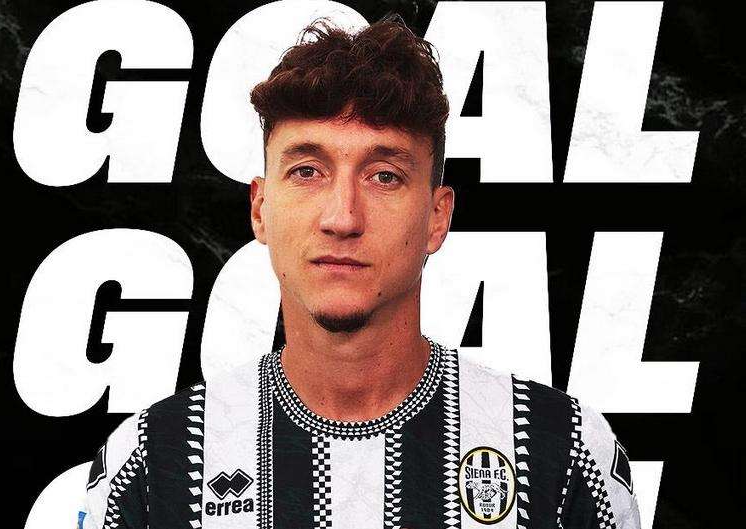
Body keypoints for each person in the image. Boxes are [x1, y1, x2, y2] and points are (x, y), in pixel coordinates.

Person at [79, 15, 641, 529]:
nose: (342, 218)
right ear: (260, 209)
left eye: (384, 176)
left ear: (437, 217)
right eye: (307, 171)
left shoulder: (564, 451)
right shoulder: (151, 462)